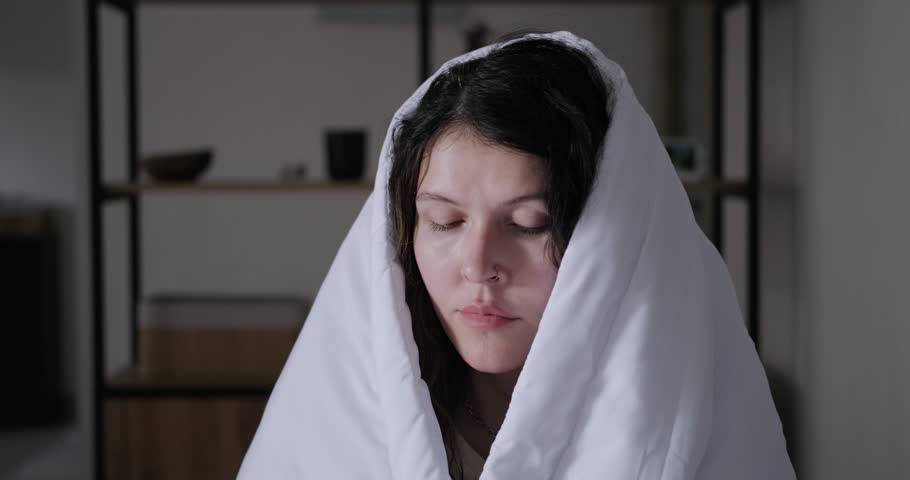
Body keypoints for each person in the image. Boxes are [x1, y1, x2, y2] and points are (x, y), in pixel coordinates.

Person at [238, 31, 795, 480]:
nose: (478, 264)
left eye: (529, 224)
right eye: (445, 221)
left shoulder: (699, 414)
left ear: (613, 242)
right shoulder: (344, 418)